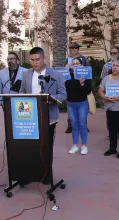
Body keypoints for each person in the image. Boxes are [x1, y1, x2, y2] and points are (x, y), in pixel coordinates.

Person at [20, 47, 67, 183]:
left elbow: (63, 94)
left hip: (49, 116)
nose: (35, 63)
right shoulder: (26, 74)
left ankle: (47, 174)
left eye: (37, 59)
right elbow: (22, 91)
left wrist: (49, 97)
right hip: (29, 117)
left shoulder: (55, 74)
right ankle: (32, 173)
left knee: (46, 147)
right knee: (31, 146)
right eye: (32, 60)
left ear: (44, 58)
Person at [66, 58, 92, 155]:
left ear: (81, 65)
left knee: (82, 124)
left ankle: (84, 145)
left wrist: (82, 83)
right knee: (74, 125)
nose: (75, 65)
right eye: (73, 64)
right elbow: (63, 88)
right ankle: (75, 145)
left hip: (82, 103)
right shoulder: (68, 75)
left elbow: (88, 91)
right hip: (70, 103)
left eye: (77, 63)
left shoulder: (86, 75)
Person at [65, 42, 88, 133]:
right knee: (70, 108)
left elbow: (87, 69)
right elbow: (65, 70)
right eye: (72, 48)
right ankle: (70, 125)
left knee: (83, 107)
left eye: (75, 48)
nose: (74, 50)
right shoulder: (68, 59)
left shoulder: (83, 58)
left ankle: (84, 125)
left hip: (81, 82)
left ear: (78, 49)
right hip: (71, 83)